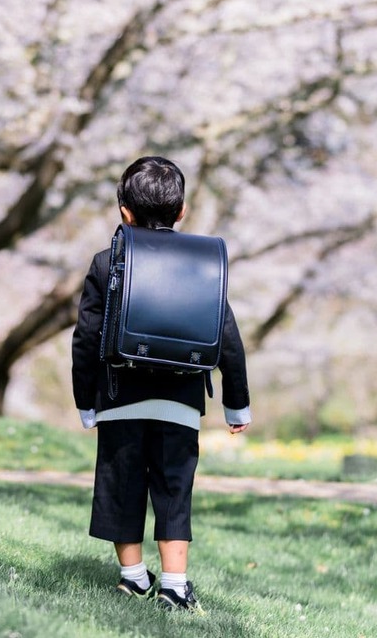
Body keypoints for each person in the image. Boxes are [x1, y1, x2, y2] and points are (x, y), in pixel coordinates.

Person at [71, 156, 251, 613]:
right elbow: (225, 336)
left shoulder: (106, 260)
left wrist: (85, 400)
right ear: (182, 210)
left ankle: (133, 578)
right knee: (174, 489)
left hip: (117, 399)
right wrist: (236, 404)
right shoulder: (202, 264)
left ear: (124, 212)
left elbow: (87, 336)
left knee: (120, 486)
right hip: (180, 401)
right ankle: (174, 584)